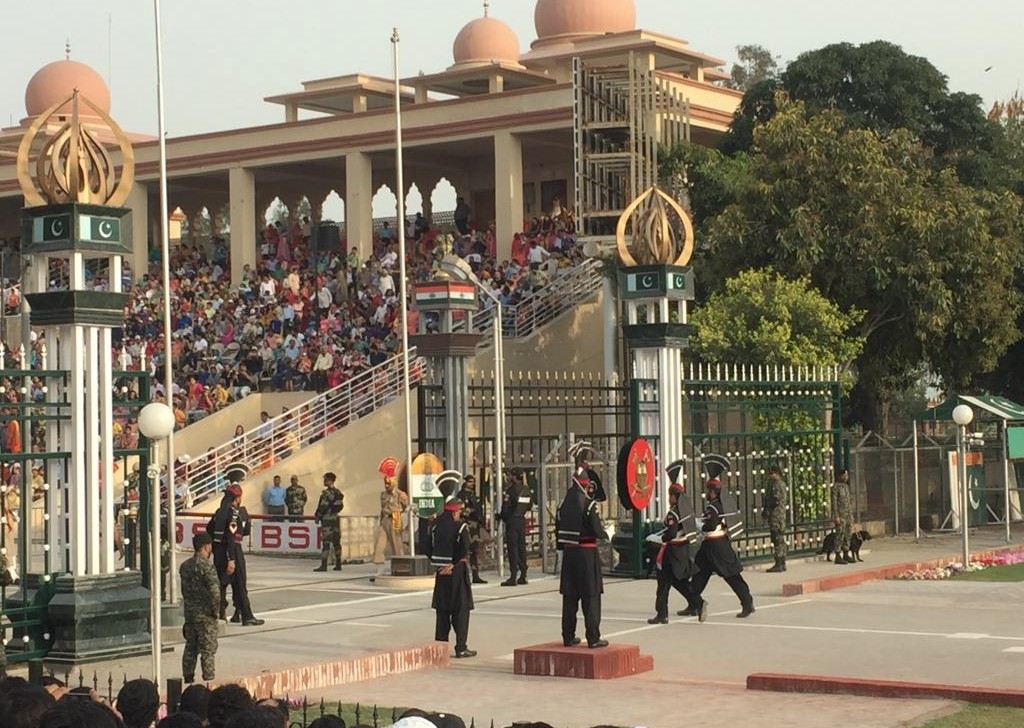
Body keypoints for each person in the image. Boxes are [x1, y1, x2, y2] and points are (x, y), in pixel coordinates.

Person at [688, 476, 755, 618]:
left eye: (708, 490)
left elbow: (711, 525)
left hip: (716, 545)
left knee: (731, 576)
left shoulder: (713, 507)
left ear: (712, 492)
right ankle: (693, 604)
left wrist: (700, 526)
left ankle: (747, 602)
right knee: (699, 574)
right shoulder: (722, 505)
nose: (706, 493)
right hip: (711, 544)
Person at [426, 471, 476, 659]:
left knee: (442, 611)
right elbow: (464, 547)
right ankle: (461, 647)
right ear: (455, 511)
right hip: (457, 572)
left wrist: (438, 563)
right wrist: (453, 564)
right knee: (461, 610)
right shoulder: (460, 526)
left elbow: (426, 546)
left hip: (440, 572)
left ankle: (440, 648)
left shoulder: (435, 525)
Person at [557, 466, 608, 648]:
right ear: (586, 485)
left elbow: (558, 530)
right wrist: (606, 533)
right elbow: (596, 529)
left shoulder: (563, 504)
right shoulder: (589, 505)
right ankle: (593, 638)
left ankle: (568, 636)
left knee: (570, 597)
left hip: (569, 554)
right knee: (591, 596)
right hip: (586, 554)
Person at [648, 481, 706, 624]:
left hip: (672, 552)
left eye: (670, 496)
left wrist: (659, 538)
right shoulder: (685, 511)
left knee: (663, 583)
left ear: (674, 496)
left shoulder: (673, 513)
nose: (669, 499)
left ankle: (662, 614)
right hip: (682, 549)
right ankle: (698, 602)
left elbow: (671, 533)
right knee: (679, 581)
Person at [210, 484, 264, 626]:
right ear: (238, 498)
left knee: (220, 586)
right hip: (233, 551)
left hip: (219, 553)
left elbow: (209, 529)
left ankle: (221, 615)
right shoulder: (234, 513)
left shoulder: (219, 512)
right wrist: (231, 559)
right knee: (240, 584)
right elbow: (231, 536)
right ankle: (246, 615)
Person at [180, 532, 220, 683]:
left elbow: (184, 591)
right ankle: (208, 680)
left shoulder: (185, 566)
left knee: (190, 646)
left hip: (190, 613)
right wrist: (216, 611)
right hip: (206, 614)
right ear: (206, 546)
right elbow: (215, 592)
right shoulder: (207, 566)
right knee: (207, 650)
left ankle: (188, 677)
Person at [372, 457, 408, 570]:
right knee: (379, 543)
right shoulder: (383, 494)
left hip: (395, 518)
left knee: (396, 543)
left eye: (388, 483)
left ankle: (401, 564)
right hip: (385, 520)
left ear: (393, 482)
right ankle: (378, 565)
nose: (386, 485)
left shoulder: (400, 494)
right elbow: (382, 509)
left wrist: (404, 521)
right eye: (385, 483)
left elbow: (406, 508)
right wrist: (380, 521)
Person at [499, 470, 532, 586]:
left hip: (512, 521)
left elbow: (505, 508)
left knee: (513, 548)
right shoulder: (526, 490)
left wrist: (501, 516)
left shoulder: (511, 490)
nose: (508, 478)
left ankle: (513, 576)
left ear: (514, 477)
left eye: (509, 476)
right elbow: (529, 506)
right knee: (521, 547)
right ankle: (523, 574)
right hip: (521, 520)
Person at [457, 474, 488, 584]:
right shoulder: (461, 495)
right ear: (465, 482)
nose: (472, 484)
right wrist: (468, 512)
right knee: (464, 550)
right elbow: (461, 510)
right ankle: (463, 575)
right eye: (470, 481)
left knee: (474, 550)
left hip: (475, 525)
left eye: (473, 482)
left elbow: (478, 510)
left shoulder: (474, 495)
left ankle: (475, 575)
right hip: (467, 525)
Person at [314, 471, 344, 571]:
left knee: (326, 541)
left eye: (326, 479)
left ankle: (324, 565)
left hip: (327, 519)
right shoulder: (338, 492)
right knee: (336, 542)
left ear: (330, 480)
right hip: (335, 518)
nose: (324, 481)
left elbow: (323, 506)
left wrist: (318, 515)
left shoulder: (326, 493)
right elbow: (340, 506)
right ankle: (338, 564)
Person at [764, 464, 789, 572]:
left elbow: (775, 500)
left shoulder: (777, 485)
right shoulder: (781, 484)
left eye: (771, 473)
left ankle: (779, 563)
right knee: (780, 538)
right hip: (780, 515)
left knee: (777, 538)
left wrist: (767, 510)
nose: (770, 476)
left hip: (776, 515)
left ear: (776, 473)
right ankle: (782, 563)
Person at [832, 467, 855, 565]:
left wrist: (851, 514)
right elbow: (834, 502)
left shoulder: (846, 487)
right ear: (840, 476)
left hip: (847, 515)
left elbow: (849, 502)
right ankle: (838, 555)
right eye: (844, 475)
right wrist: (836, 516)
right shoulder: (836, 487)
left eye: (847, 475)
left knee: (848, 534)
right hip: (841, 515)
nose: (846, 477)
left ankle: (846, 552)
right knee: (840, 534)